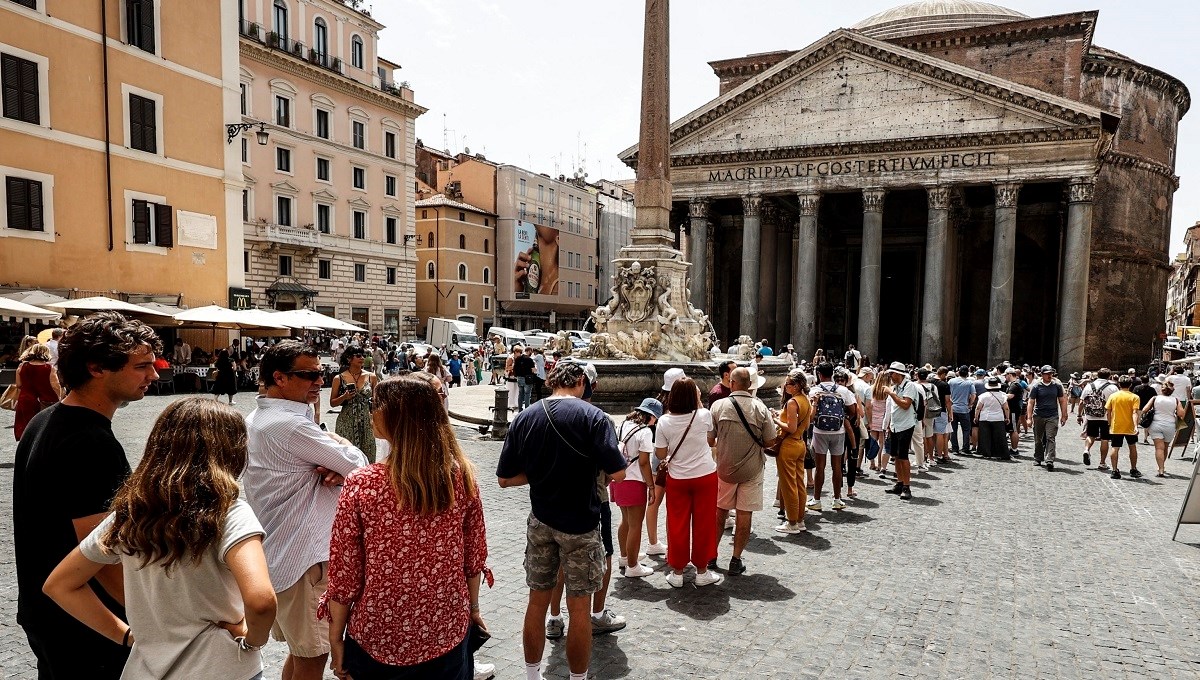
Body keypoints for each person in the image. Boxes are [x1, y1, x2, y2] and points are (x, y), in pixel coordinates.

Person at [43, 398, 277, 680]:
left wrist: (127, 636)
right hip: (223, 667)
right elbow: (261, 601)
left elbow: (59, 585)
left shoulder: (130, 514)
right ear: (233, 450)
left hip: (146, 671)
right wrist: (253, 641)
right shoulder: (230, 513)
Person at [14, 312, 161, 679]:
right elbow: (102, 553)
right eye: (141, 366)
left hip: (48, 611)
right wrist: (153, 621)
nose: (153, 376)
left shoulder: (45, 419)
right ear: (97, 368)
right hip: (88, 624)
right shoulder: (89, 443)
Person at [321, 377, 493, 680]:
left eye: (376, 406)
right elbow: (473, 559)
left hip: (377, 636)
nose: (372, 411)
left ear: (395, 417)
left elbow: (345, 574)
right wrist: (474, 609)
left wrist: (336, 636)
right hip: (446, 630)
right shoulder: (461, 478)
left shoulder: (363, 485)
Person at [244, 341, 368, 680]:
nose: (319, 381)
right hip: (305, 558)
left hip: (284, 551)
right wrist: (342, 449)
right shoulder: (291, 426)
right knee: (314, 658)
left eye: (321, 373)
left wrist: (334, 459)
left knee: (300, 655)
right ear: (279, 378)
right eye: (308, 375)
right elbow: (359, 466)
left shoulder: (258, 418)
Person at [497, 362, 626, 680]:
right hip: (581, 525)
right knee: (579, 608)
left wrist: (541, 475)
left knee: (537, 602)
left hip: (541, 521)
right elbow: (619, 473)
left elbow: (504, 479)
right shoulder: (595, 418)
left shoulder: (526, 417)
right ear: (581, 382)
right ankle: (578, 678)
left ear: (551, 382)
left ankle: (531, 675)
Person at [653, 377, 722, 588]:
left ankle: (677, 571)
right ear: (694, 395)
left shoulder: (664, 421)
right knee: (705, 523)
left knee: (677, 524)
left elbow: (661, 453)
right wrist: (698, 402)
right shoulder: (703, 415)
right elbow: (709, 434)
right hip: (705, 476)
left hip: (678, 478)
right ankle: (702, 570)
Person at [708, 367, 777, 574]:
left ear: (732, 383)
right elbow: (770, 440)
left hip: (725, 468)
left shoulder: (719, 406)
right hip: (752, 469)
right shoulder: (761, 408)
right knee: (744, 514)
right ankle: (735, 559)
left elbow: (710, 439)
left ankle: (711, 556)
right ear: (749, 386)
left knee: (720, 512)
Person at [614, 398, 662, 579]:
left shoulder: (623, 424)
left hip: (619, 478)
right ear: (651, 417)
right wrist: (650, 485)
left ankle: (625, 557)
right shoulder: (645, 432)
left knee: (625, 521)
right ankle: (633, 567)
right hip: (634, 481)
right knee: (635, 525)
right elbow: (643, 463)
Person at [808, 362, 857, 508]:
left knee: (820, 467)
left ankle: (816, 500)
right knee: (837, 466)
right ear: (832, 374)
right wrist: (843, 417)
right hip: (839, 431)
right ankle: (837, 499)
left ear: (819, 374)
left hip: (819, 431)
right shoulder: (843, 390)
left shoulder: (814, 390)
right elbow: (853, 410)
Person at [774, 369, 811, 533]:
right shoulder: (806, 400)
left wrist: (775, 419)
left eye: (788, 384)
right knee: (799, 483)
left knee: (789, 485)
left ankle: (792, 522)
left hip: (788, 445)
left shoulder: (792, 402)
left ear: (796, 386)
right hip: (800, 443)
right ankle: (800, 520)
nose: (785, 386)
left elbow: (790, 427)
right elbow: (806, 425)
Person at [882, 361, 924, 500]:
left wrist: (890, 394)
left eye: (892, 373)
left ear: (898, 374)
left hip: (906, 425)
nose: (890, 376)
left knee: (904, 456)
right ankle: (899, 483)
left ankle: (907, 486)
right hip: (895, 425)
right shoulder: (896, 387)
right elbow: (893, 408)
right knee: (896, 456)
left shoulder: (909, 386)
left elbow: (906, 404)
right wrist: (888, 425)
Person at [329, 347, 379, 463]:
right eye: (358, 355)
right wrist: (344, 397)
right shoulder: (339, 378)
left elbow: (377, 400)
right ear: (349, 358)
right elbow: (332, 403)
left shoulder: (371, 377)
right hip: (346, 420)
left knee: (369, 453)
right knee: (347, 454)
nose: (362, 358)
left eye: (363, 355)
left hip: (366, 421)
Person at [13, 342, 60, 441]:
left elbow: (18, 385)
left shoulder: (22, 366)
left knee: (26, 427)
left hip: (26, 399)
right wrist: (60, 397)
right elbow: (55, 385)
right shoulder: (49, 368)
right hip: (46, 400)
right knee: (43, 427)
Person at [1025, 365, 1068, 471]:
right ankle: (1038, 457)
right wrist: (1029, 418)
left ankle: (1049, 460)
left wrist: (1064, 415)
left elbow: (1062, 400)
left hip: (1052, 416)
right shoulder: (1036, 386)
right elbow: (1031, 402)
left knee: (1050, 437)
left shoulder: (1057, 386)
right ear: (1042, 374)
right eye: (1047, 373)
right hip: (1039, 415)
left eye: (1051, 373)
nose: (1050, 375)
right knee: (1038, 439)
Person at [1140, 379, 1185, 478]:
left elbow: (1144, 409)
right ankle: (1162, 467)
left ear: (1162, 389)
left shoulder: (1155, 398)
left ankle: (1160, 469)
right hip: (1170, 425)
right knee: (1165, 447)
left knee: (1159, 448)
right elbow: (1181, 414)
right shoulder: (1176, 400)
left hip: (1156, 424)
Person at [1105, 375, 1143, 480]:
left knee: (1115, 447)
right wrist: (1136, 426)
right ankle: (1133, 469)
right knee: (1132, 447)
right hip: (1130, 426)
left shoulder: (1113, 396)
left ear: (1119, 384)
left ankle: (1114, 470)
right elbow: (1135, 413)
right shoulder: (1135, 397)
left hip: (1116, 425)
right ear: (1130, 385)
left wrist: (1109, 423)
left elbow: (1108, 411)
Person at [1079, 369, 1117, 468]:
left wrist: (1079, 415)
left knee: (1090, 435)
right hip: (1106, 416)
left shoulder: (1089, 386)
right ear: (1109, 376)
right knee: (1105, 439)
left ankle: (1086, 449)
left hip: (1091, 415)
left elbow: (1081, 402)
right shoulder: (1113, 387)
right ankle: (1102, 462)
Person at [974, 377, 1011, 459]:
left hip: (985, 418)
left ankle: (986, 452)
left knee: (985, 437)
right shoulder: (1002, 396)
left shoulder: (983, 396)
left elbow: (978, 407)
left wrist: (976, 417)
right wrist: (1007, 417)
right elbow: (1006, 408)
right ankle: (999, 453)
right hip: (998, 418)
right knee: (998, 437)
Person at [948, 367, 976, 455]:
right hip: (964, 409)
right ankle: (965, 448)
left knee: (953, 429)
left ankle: (955, 448)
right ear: (967, 373)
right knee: (966, 429)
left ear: (958, 373)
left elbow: (947, 393)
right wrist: (970, 404)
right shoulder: (969, 382)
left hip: (953, 408)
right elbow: (973, 395)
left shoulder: (951, 381)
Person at [513, 346, 536, 410]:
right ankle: (527, 408)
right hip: (528, 378)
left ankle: (520, 408)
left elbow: (514, 368)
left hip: (520, 377)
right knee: (527, 394)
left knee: (520, 394)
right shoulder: (530, 359)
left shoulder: (517, 359)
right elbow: (533, 370)